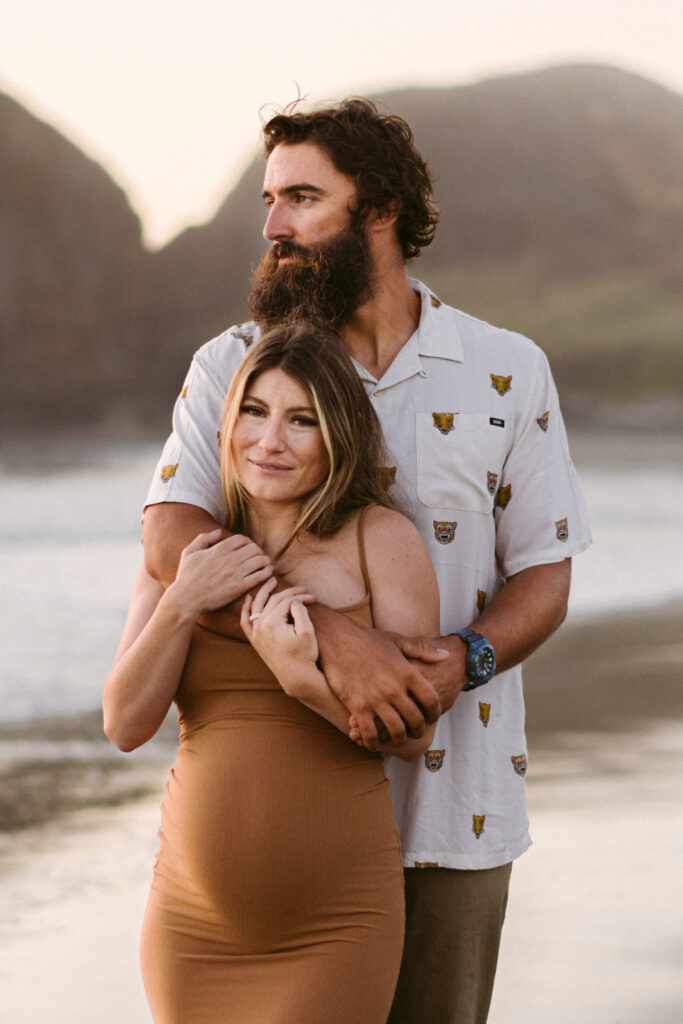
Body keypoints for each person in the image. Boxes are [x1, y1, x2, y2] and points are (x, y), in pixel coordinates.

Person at [142, 99, 592, 1024]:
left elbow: (544, 570)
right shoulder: (233, 366)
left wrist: (466, 658)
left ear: (378, 208)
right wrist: (334, 643)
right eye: (269, 201)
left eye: (302, 198)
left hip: (455, 807)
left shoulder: (503, 367)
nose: (272, 226)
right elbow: (170, 537)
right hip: (274, 814)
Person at [104, 323, 442, 1024]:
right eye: (254, 412)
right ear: (226, 423)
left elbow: (413, 737)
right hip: (190, 919)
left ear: (338, 433)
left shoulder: (379, 538)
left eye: (300, 420)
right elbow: (125, 724)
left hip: (335, 924)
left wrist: (305, 685)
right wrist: (184, 600)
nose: (269, 441)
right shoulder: (183, 547)